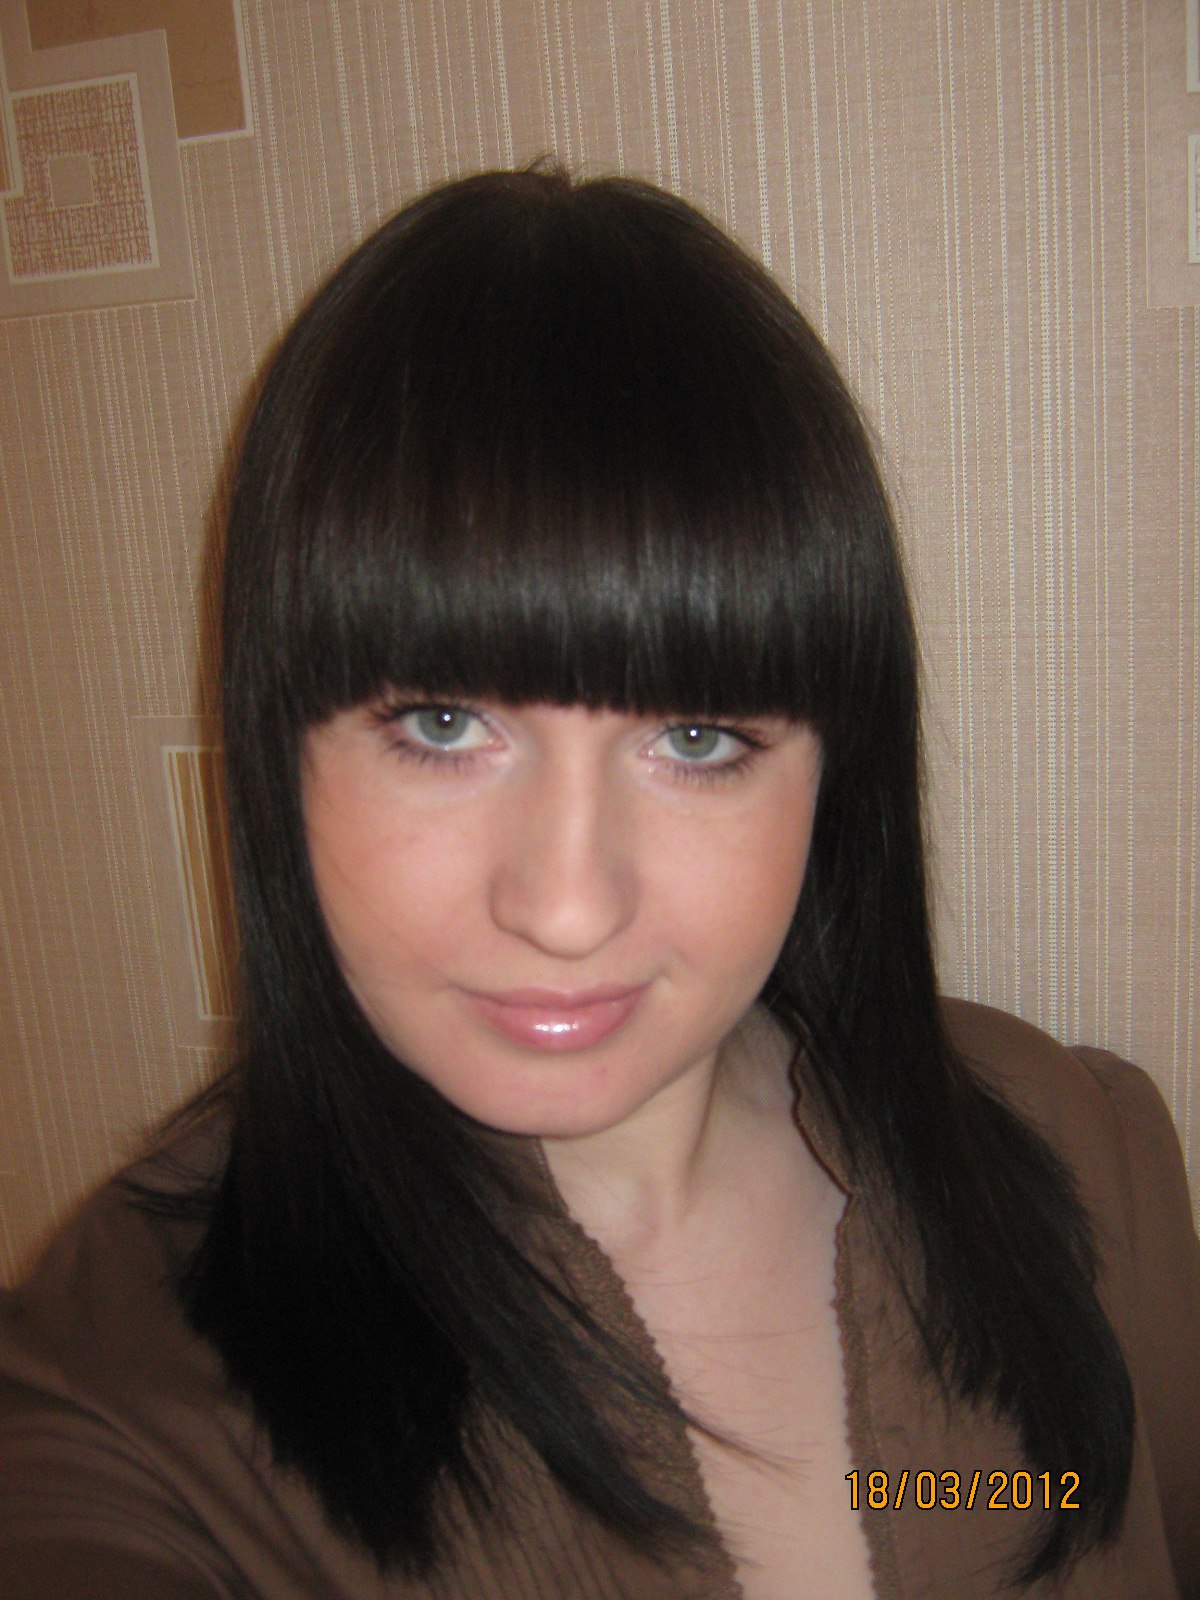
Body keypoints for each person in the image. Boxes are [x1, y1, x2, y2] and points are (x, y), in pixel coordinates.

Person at [1, 165, 1197, 1600]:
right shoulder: (123, 1395)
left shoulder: (1084, 1160)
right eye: (444, 722)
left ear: (837, 770)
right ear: (281, 752)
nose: (567, 908)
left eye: (695, 739)